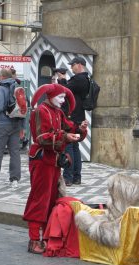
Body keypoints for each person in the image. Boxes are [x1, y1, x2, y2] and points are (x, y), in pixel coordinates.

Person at [23, 83, 88, 254]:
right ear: (50, 97)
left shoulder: (58, 112)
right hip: (41, 161)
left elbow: (70, 126)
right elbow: (41, 137)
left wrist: (80, 129)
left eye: (64, 98)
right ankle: (33, 240)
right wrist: (65, 136)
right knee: (40, 199)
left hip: (53, 161)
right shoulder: (40, 111)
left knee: (51, 200)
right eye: (60, 97)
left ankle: (45, 237)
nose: (62, 100)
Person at [57, 57, 89, 186]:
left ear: (79, 65)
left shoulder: (79, 79)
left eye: (73, 65)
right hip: (78, 117)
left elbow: (65, 91)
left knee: (69, 145)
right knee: (75, 146)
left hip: (71, 118)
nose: (71, 68)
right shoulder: (86, 79)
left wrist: (62, 80)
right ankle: (76, 177)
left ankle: (68, 177)